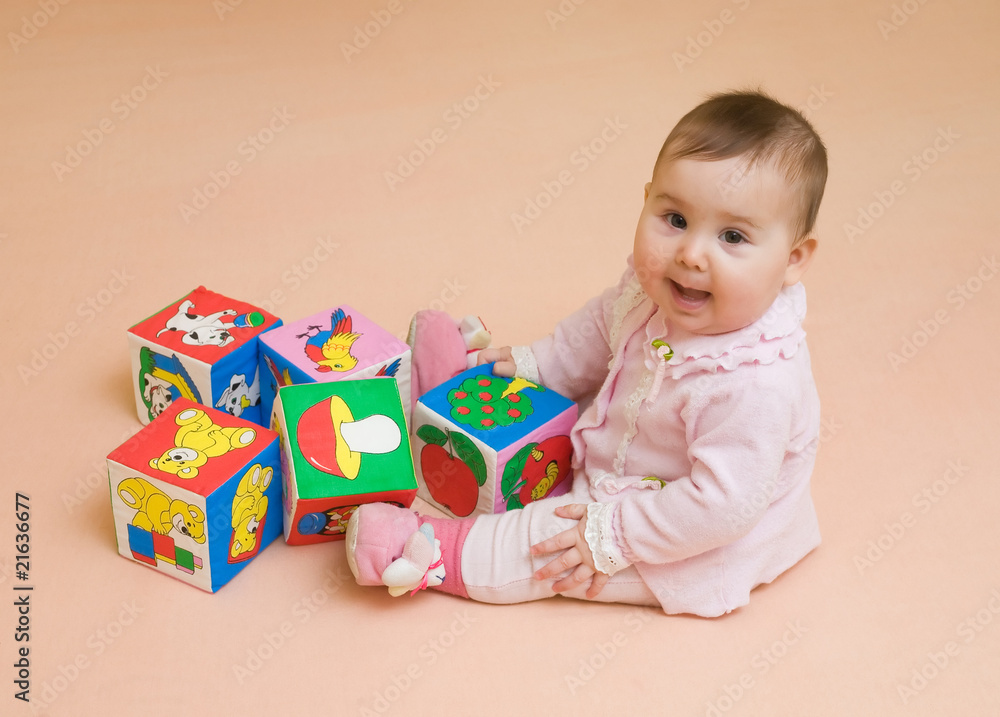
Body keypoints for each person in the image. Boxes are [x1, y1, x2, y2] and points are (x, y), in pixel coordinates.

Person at [346, 89, 828, 617]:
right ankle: (454, 394)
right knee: (539, 424)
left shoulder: (755, 384)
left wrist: (615, 534)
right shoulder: (657, 287)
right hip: (615, 453)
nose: (691, 254)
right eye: (675, 219)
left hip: (675, 533)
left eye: (733, 236)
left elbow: (720, 507)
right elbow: (600, 329)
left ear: (793, 259)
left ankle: (433, 552)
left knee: (552, 543)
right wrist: (538, 363)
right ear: (648, 199)